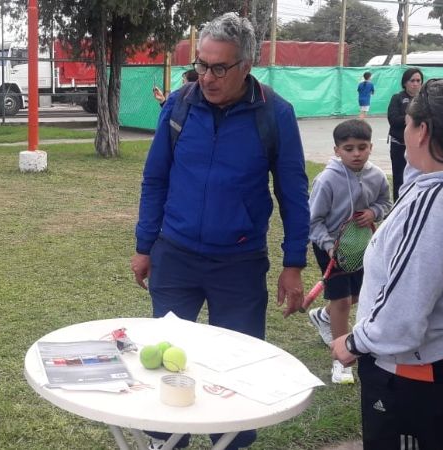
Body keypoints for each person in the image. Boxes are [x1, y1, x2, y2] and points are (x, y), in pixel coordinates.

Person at [131, 13, 310, 450]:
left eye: (219, 68)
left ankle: (230, 442)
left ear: (247, 65)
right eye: (201, 65)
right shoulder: (179, 106)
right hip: (175, 255)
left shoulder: (275, 114)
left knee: (238, 366)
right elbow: (155, 179)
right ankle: (165, 440)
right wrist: (143, 246)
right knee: (167, 361)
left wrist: (293, 263)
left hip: (240, 263)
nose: (206, 77)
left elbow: (293, 192)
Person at [332, 79, 443, 449]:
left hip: (415, 372)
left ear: (423, 131)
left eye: (407, 122)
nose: (402, 131)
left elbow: (402, 317)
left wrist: (353, 343)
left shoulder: (436, 206)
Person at [306, 119, 391, 385]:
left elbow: (386, 203)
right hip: (330, 247)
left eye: (362, 147)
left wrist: (373, 212)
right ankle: (341, 361)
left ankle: (322, 315)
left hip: (361, 246)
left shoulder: (377, 175)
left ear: (370, 147)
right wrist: (329, 246)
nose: (356, 153)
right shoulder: (327, 180)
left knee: (355, 297)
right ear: (336, 150)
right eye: (349, 148)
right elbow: (314, 221)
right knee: (342, 302)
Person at [386, 67, 423, 200]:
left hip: (419, 146)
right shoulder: (397, 98)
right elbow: (393, 119)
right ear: (405, 83)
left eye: (418, 80)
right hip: (399, 145)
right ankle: (397, 206)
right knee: (399, 177)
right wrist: (408, 119)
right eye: (412, 80)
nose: (415, 83)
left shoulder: (425, 100)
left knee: (418, 177)